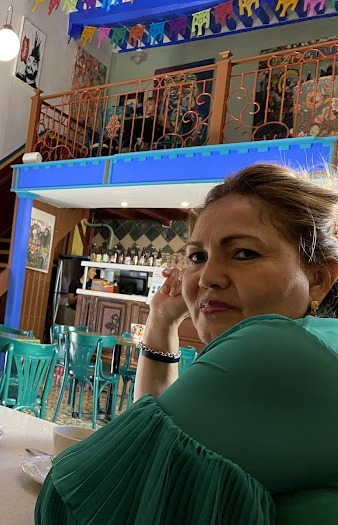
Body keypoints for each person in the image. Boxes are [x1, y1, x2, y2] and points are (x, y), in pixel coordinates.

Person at [36, 164, 338, 523]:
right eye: (197, 257)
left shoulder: (274, 347)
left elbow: (72, 503)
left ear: (318, 278)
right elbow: (159, 451)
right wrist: (162, 319)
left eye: (244, 253)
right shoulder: (318, 342)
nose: (208, 277)